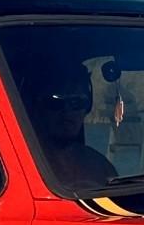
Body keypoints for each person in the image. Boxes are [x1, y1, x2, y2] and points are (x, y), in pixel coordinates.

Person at [26, 59, 117, 190]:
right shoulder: (18, 166)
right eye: (56, 103)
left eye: (77, 102)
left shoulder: (100, 167)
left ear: (87, 106)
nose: (67, 111)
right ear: (38, 107)